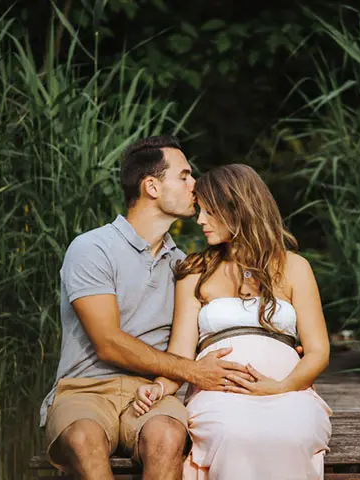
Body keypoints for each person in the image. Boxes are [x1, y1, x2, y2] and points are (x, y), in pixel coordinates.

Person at [39, 136, 256, 480]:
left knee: (168, 437)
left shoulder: (184, 265)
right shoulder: (92, 248)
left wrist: (283, 341)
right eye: (184, 176)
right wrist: (191, 371)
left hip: (154, 391)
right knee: (83, 440)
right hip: (86, 390)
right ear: (152, 186)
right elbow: (108, 342)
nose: (194, 184)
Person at [132, 164, 333, 479]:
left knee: (291, 434)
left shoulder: (294, 267)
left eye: (209, 212)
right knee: (235, 434)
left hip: (289, 392)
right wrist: (159, 387)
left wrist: (280, 386)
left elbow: (319, 351)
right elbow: (181, 355)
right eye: (200, 210)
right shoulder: (195, 272)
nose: (199, 220)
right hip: (221, 396)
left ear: (238, 208)